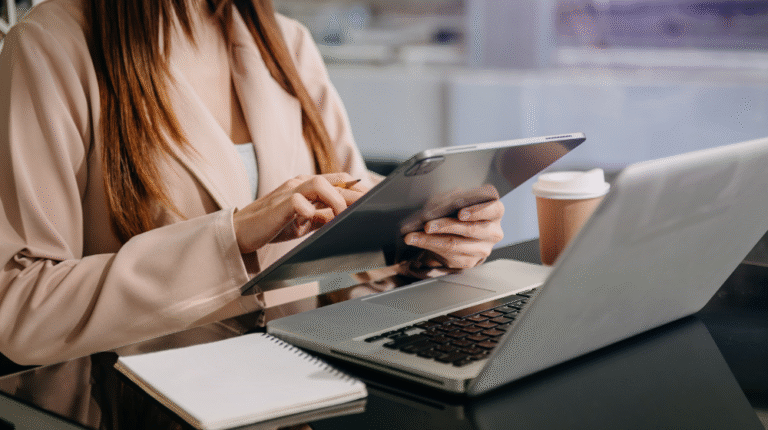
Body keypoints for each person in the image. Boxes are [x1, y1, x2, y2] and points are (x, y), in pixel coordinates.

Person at [0, 0, 504, 366]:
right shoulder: (51, 46)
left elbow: (347, 257)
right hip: (139, 403)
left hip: (302, 388)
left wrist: (429, 243)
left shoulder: (287, 43)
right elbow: (22, 311)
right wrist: (233, 235)